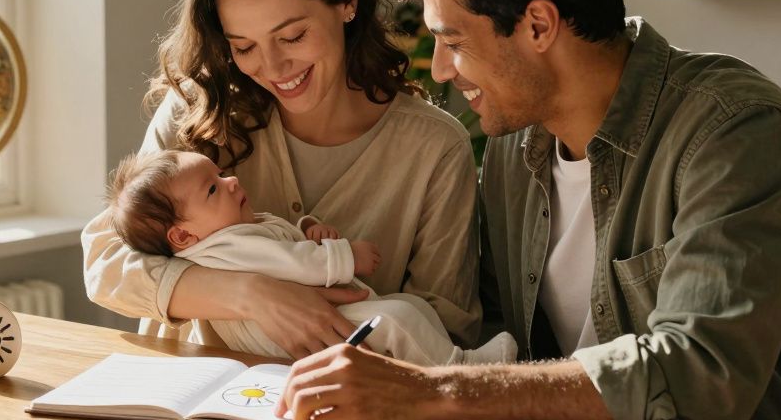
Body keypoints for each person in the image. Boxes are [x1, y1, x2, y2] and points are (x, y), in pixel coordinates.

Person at [277, 0, 781, 420]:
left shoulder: (734, 129)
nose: (441, 70)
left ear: (538, 25)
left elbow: (700, 376)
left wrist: (432, 392)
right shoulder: (514, 143)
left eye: (454, 42)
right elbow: (496, 334)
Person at [82, 0, 482, 361]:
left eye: (292, 36)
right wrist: (252, 294)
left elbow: (447, 329)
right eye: (244, 46)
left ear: (347, 0)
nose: (272, 67)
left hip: (357, 419)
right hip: (199, 409)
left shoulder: (434, 149)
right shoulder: (197, 112)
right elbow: (107, 263)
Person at [103, 149, 518, 366]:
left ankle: (446, 359)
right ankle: (459, 368)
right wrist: (344, 257)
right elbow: (292, 264)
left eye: (220, 173)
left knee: (407, 307)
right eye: (213, 188)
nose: (230, 182)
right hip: (287, 338)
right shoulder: (224, 246)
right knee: (396, 319)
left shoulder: (228, 232)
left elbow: (279, 239)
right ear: (182, 234)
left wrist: (308, 229)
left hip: (307, 320)